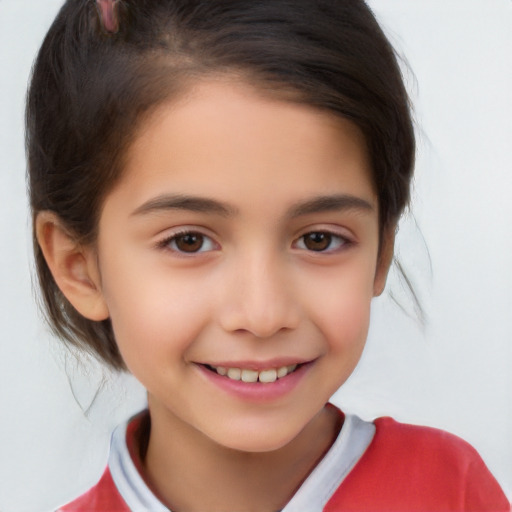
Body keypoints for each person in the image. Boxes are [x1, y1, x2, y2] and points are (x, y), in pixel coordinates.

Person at [26, 0, 509, 510]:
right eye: (188, 241)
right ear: (78, 267)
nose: (262, 315)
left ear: (381, 249)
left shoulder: (448, 491)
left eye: (318, 239)